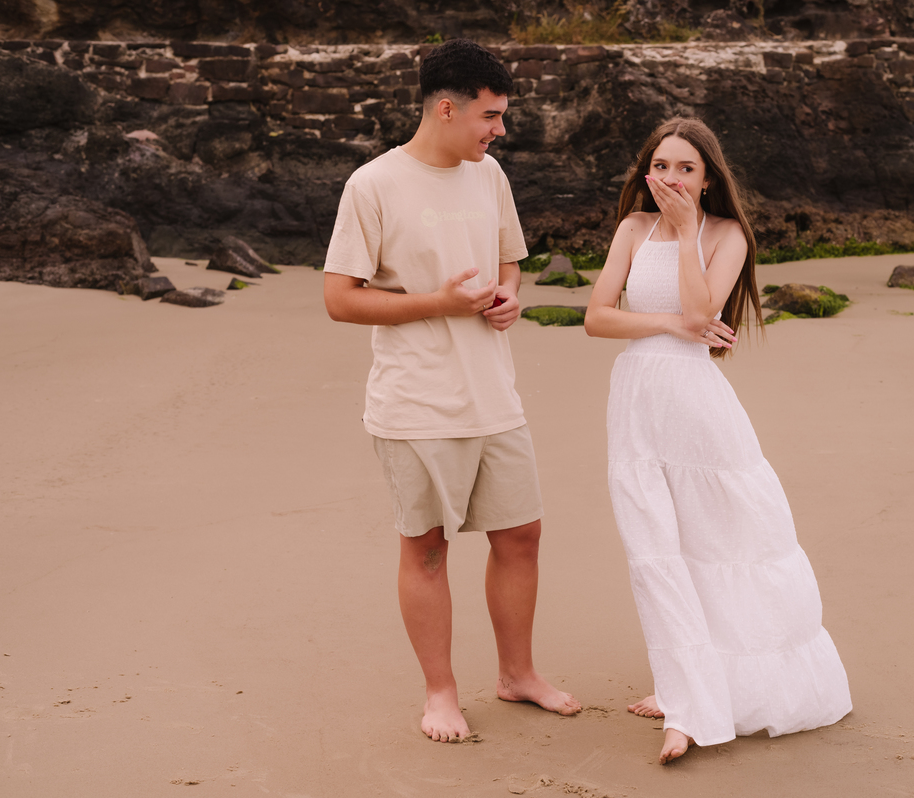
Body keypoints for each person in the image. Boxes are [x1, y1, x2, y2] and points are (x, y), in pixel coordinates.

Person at [322, 38, 581, 743]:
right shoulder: (372, 185)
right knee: (428, 548)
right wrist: (437, 303)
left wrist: (508, 298)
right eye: (490, 115)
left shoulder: (488, 174)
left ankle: (518, 674)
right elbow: (339, 300)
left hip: (494, 393)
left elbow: (508, 262)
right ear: (446, 108)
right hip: (416, 402)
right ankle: (441, 693)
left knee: (521, 535)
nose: (498, 129)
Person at [584, 117, 851, 764]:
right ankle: (683, 686)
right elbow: (597, 318)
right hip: (637, 400)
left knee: (719, 545)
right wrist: (671, 325)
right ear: (646, 171)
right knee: (654, 553)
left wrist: (682, 239)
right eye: (662, 166)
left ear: (708, 180)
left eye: (687, 169)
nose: (671, 178)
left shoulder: (727, 235)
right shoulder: (629, 229)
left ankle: (693, 704)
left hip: (697, 407)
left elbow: (705, 314)